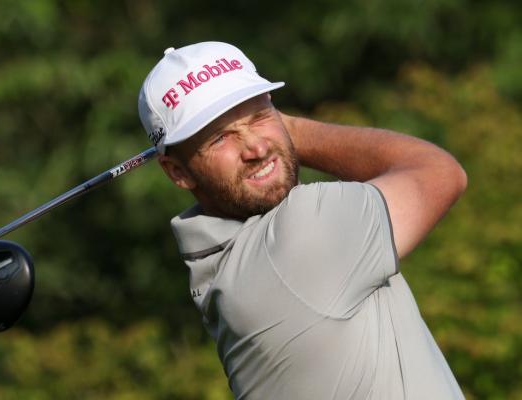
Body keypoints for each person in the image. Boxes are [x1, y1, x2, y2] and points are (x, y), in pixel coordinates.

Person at [138, 41, 467, 399]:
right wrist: (290, 130)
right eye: (220, 138)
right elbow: (439, 173)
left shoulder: (223, 267)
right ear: (178, 172)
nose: (257, 148)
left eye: (259, 116)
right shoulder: (299, 235)